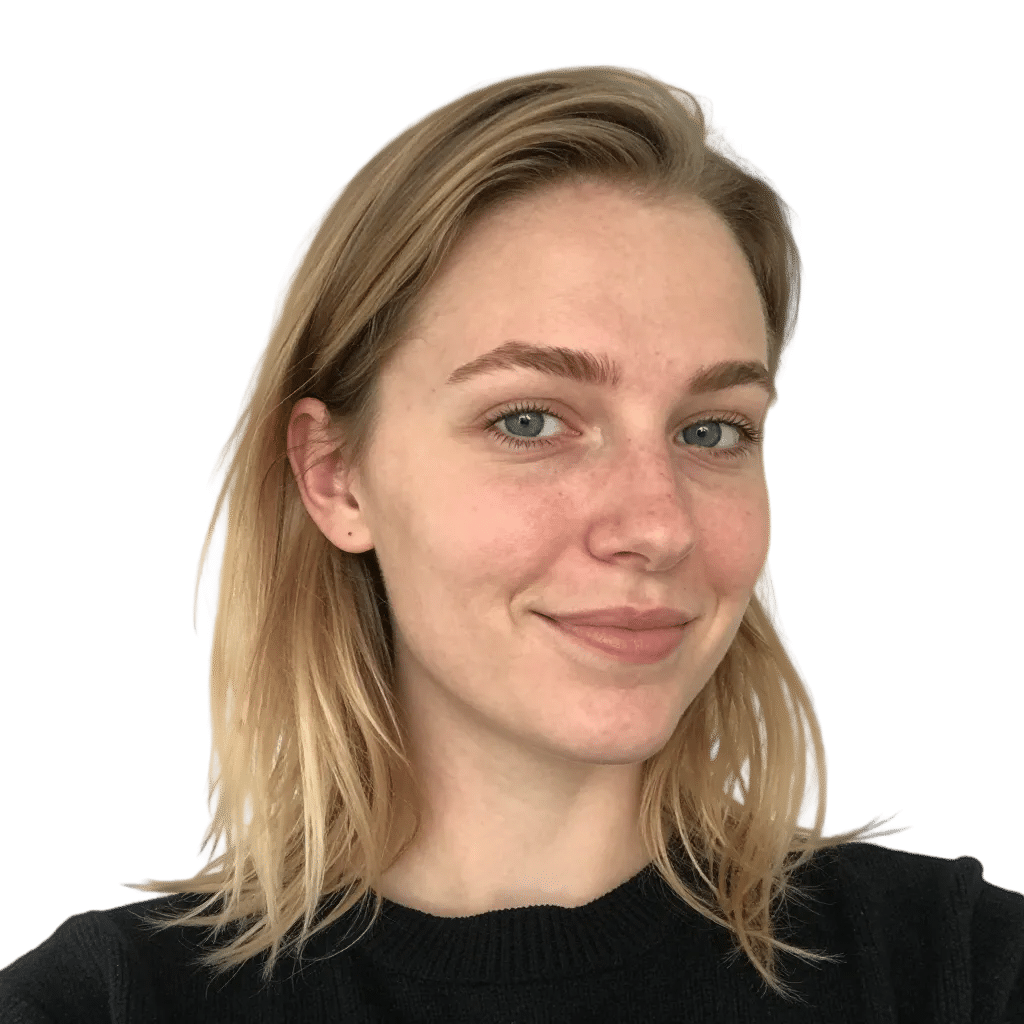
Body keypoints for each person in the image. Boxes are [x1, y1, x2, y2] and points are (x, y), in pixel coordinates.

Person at [2, 64, 1021, 1023]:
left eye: (711, 430)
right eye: (529, 421)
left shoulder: (959, 972)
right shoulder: (105, 1004)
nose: (656, 525)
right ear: (335, 476)